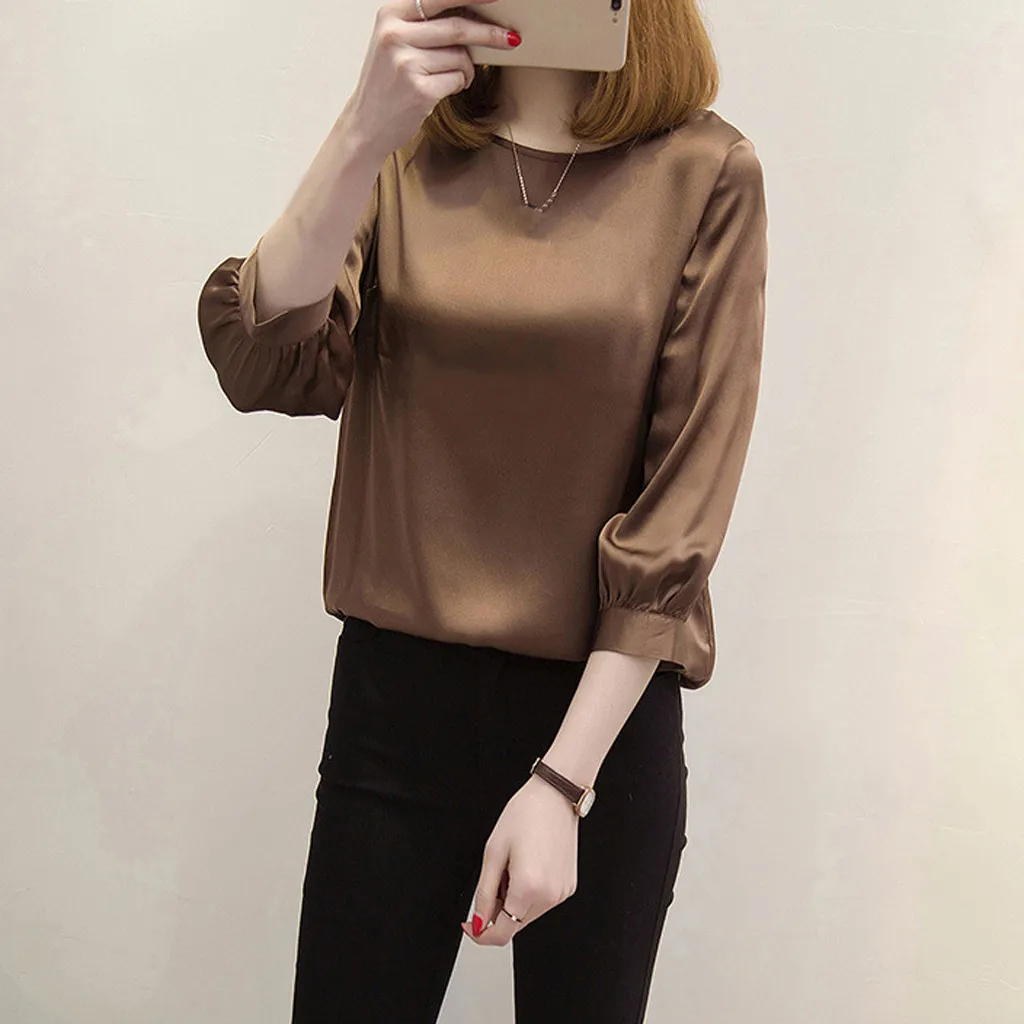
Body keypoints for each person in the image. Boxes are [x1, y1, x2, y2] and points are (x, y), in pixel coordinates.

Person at [196, 0, 768, 1020]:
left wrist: (563, 783)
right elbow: (268, 362)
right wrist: (361, 129)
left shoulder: (705, 172)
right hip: (393, 707)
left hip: (598, 724)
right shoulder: (408, 149)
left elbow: (681, 503)